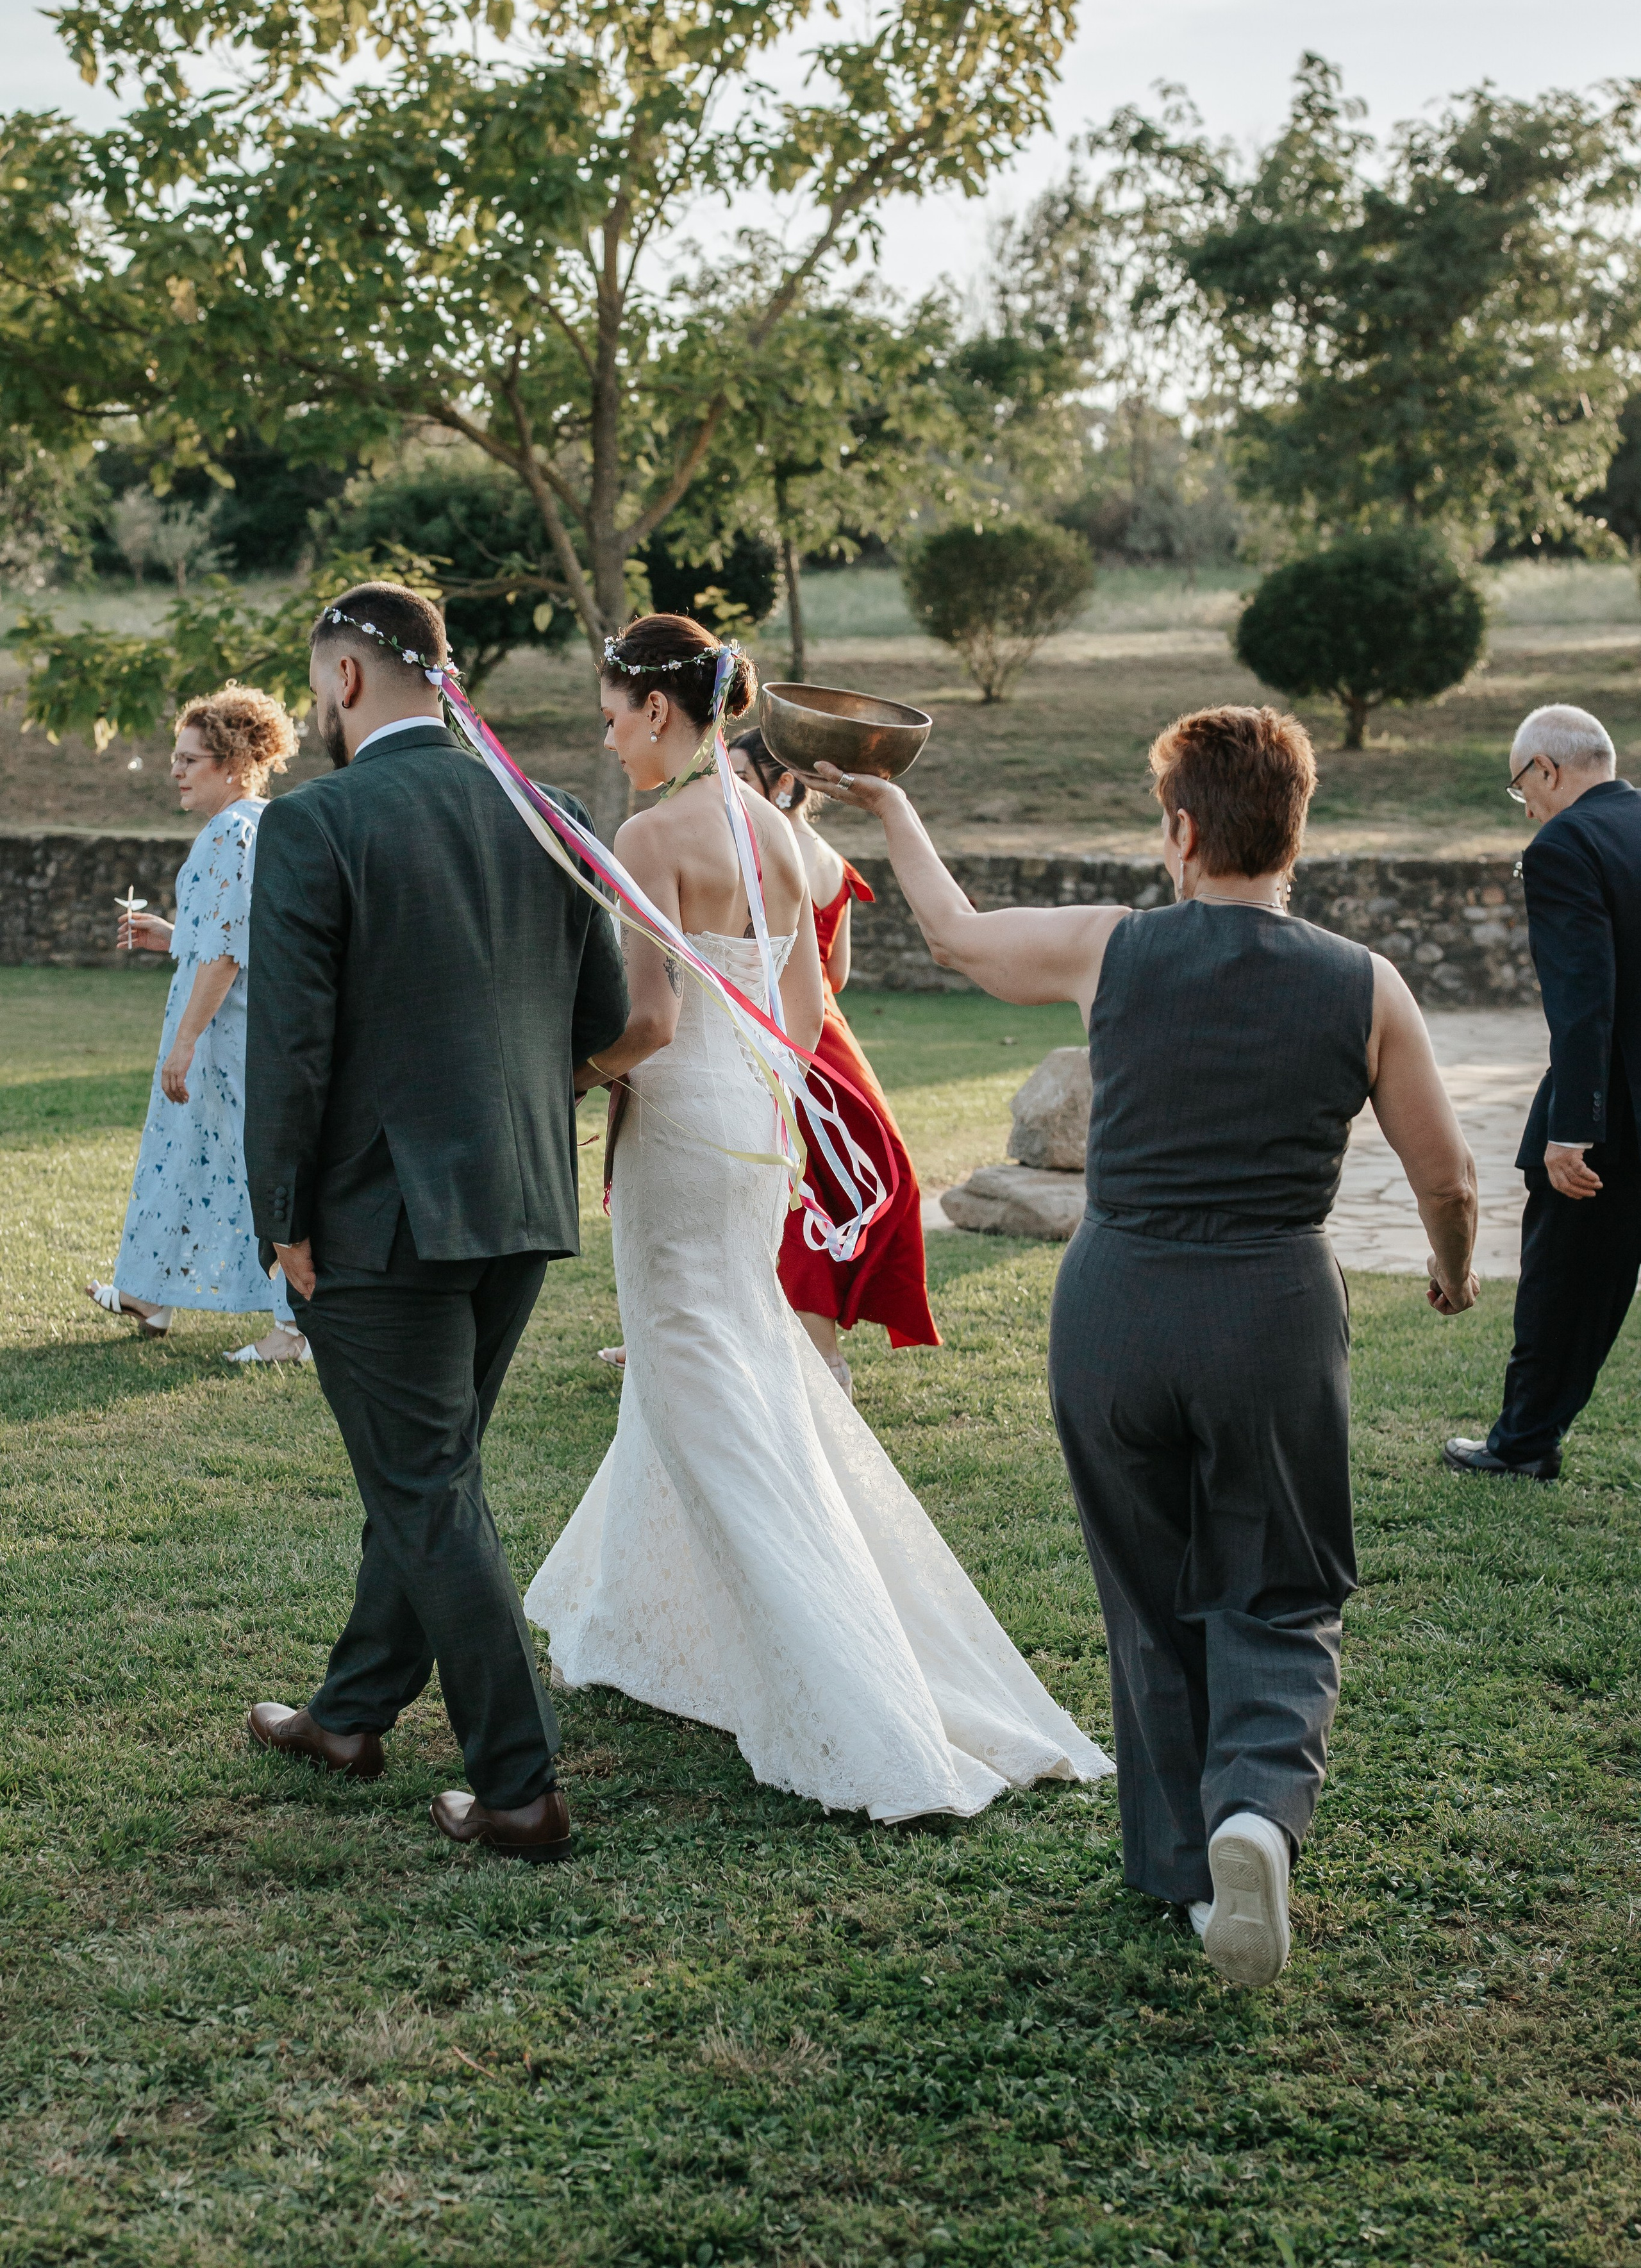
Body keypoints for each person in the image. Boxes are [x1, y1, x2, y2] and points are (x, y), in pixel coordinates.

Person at [810, 705, 1478, 1985]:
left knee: (1150, 1592)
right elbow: (1444, 1178)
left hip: (1112, 1304)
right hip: (1272, 1308)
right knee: (1278, 1586)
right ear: (1296, 829)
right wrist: (1447, 1276)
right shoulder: (1362, 983)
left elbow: (950, 936)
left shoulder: (1111, 951)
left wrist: (890, 809)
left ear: (1178, 830)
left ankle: (1185, 1872)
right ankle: (1251, 1817)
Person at [524, 615, 1110, 1823]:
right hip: (759, 1123)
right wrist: (767, 1115)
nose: (606, 732)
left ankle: (851, 1692)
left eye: (612, 710)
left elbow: (649, 1021)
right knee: (721, 1353)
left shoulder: (649, 832)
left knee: (695, 1371)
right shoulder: (784, 838)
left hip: (684, 1119)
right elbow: (804, 1012)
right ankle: (631, 1622)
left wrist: (562, 1079)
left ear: (656, 710)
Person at [242, 583, 629, 1863]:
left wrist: (283, 1213)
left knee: (424, 1484)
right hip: (521, 1200)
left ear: (345, 681)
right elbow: (598, 1022)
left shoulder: (312, 824)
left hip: (375, 1215)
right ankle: (351, 1717)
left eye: (315, 686)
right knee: (422, 1472)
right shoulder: (550, 813)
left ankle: (519, 1791)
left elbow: (289, 1047)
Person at [1445, 703, 1641, 1483]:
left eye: (1519, 784)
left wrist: (1572, 1128)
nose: (1522, 803)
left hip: (1613, 1117)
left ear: (1546, 771)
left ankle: (1523, 1445)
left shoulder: (1564, 843)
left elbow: (1582, 998)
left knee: (1562, 1283)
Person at [86, 685, 307, 1363]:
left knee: (246, 1167)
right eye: (175, 758)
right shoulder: (257, 825)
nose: (175, 770)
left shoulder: (233, 832)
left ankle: (294, 1328)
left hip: (222, 1041)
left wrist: (183, 1045)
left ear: (235, 761)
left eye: (190, 759)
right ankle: (150, 1292)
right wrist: (173, 937)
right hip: (224, 1030)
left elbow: (225, 954)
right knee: (186, 1159)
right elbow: (229, 937)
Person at [728, 726, 940, 1393]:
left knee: (791, 1188)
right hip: (834, 1039)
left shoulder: (765, 850)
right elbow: (836, 972)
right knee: (813, 1184)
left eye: (739, 774)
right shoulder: (829, 859)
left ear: (783, 783)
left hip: (780, 1032)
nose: (727, 788)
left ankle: (820, 1360)